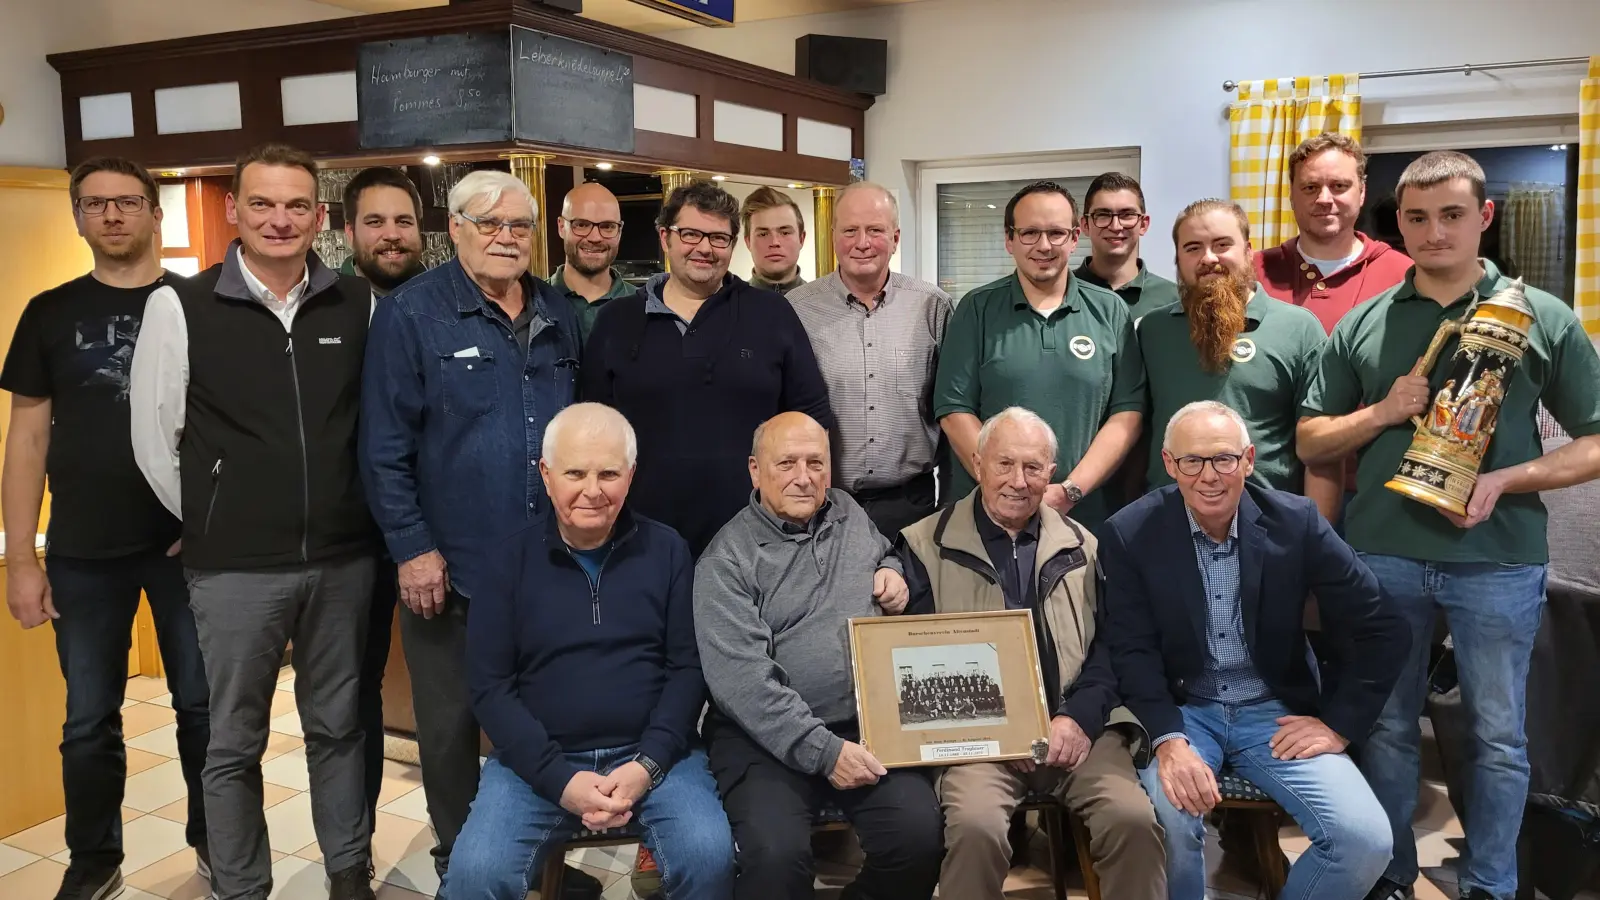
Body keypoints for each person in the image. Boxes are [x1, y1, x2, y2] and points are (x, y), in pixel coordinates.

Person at [1298, 150, 1600, 900]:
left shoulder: (1540, 315)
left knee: (1499, 739)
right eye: (1419, 217)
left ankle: (1490, 885)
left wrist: (1506, 478)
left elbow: (1595, 438)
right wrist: (1382, 413)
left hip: (1498, 559)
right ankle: (1393, 874)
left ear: (1484, 217)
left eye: (1453, 215)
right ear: (1398, 221)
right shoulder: (1367, 321)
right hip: (1383, 556)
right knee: (1388, 729)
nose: (1435, 232)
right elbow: (1310, 439)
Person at [130, 142, 379, 900]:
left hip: (342, 557)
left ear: (319, 216)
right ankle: (242, 886)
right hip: (234, 567)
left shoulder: (358, 302)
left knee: (338, 728)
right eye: (263, 204)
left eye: (296, 205)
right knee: (233, 741)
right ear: (234, 210)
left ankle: (346, 873)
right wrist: (211, 513)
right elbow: (153, 438)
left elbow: (375, 423)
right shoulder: (182, 305)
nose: (280, 219)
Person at [360, 168, 584, 891]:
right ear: (453, 230)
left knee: (548, 720)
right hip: (449, 573)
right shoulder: (412, 315)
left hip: (548, 571)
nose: (506, 239)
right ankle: (463, 863)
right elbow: (384, 448)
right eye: (488, 224)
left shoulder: (555, 309)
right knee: (449, 730)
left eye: (518, 226)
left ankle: (546, 864)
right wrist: (413, 549)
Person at [0, 157, 209, 900]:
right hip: (84, 554)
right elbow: (25, 439)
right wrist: (22, 558)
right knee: (88, 720)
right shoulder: (49, 312)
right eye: (95, 204)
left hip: (189, 551)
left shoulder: (200, 303)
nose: (112, 216)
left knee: (202, 708)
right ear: (78, 217)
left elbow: (234, 434)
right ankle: (95, 862)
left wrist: (214, 523)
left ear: (156, 213)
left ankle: (214, 845)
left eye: (127, 202)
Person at [1104, 400, 1407, 899]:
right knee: (1167, 828)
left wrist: (1338, 724)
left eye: (1223, 459)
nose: (1209, 476)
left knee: (1366, 841)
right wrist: (1169, 741)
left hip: (1273, 713)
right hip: (1184, 712)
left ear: (1248, 459)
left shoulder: (1297, 522)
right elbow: (1131, 650)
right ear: (1168, 464)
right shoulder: (1131, 532)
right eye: (1192, 461)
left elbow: (1385, 626)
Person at [444, 403, 734, 900]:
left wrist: (647, 765)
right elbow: (490, 689)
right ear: (546, 474)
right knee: (474, 879)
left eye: (609, 473)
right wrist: (559, 779)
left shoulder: (668, 551)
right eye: (575, 472)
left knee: (710, 858)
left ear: (632, 475)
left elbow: (687, 670)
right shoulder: (506, 560)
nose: (593, 490)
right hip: (536, 761)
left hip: (655, 757)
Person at [897, 407, 1165, 899]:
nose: (1018, 481)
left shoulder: (1087, 546)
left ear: (1052, 475)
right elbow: (916, 663)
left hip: (1079, 730)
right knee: (976, 829)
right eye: (1005, 464)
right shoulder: (922, 544)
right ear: (977, 464)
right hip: (977, 742)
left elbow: (1112, 645)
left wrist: (1079, 718)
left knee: (1132, 822)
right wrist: (999, 732)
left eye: (1033, 468)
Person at [695, 412, 943, 900]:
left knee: (919, 840)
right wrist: (825, 752)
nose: (804, 477)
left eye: (816, 462)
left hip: (864, 726)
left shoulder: (847, 511)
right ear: (754, 470)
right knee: (776, 858)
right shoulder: (726, 560)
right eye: (786, 463)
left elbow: (882, 552)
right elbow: (745, 685)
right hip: (761, 741)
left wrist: (892, 570)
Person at [581, 181, 835, 558]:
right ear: (665, 237)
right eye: (690, 234)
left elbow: (811, 419)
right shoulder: (616, 321)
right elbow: (590, 431)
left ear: (734, 245)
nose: (704, 248)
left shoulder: (772, 315)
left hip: (757, 540)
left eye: (718, 238)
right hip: (639, 539)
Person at [934, 180, 1145, 531]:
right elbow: (954, 410)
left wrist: (1071, 491)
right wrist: (1007, 489)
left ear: (1075, 237)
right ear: (1009, 239)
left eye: (1056, 233)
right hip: (987, 518)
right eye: (1030, 233)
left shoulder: (1110, 311)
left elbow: (1127, 414)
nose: (1043, 246)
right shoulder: (977, 309)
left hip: (1083, 517)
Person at [1137, 199, 1339, 515]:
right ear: (1177, 259)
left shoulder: (1298, 329)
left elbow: (1321, 451)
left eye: (1222, 245)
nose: (1208, 258)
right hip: (1169, 522)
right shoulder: (1152, 330)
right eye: (1193, 248)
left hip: (1269, 523)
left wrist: (1317, 539)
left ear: (1248, 251)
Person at [339, 165, 426, 844]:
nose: (391, 235)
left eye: (402, 221)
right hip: (349, 538)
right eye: (376, 221)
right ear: (347, 231)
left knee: (460, 698)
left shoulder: (438, 304)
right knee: (354, 698)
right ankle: (354, 854)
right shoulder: (327, 310)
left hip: (434, 535)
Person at [788, 182, 953, 538]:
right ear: (833, 236)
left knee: (908, 594)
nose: (862, 242)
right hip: (821, 506)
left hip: (912, 506)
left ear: (895, 238)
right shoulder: (797, 310)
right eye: (850, 230)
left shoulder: (932, 306)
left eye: (875, 230)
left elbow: (952, 408)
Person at [1254, 133, 1413, 334]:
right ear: (1292, 196)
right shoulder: (1252, 272)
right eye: (1310, 187)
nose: (1324, 199)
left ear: (1362, 192)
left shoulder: (1405, 275)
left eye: (1339, 186)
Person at [1073, 172, 1180, 325]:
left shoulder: (1174, 300)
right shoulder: (1060, 292)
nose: (1115, 226)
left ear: (1143, 224)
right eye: (1103, 215)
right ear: (1085, 225)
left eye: (1127, 215)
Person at [549, 181, 634, 342]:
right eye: (581, 225)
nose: (595, 238)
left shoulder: (645, 308)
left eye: (607, 226)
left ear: (619, 231)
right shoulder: (532, 304)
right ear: (561, 227)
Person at [741, 186, 807, 293]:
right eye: (763, 234)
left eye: (785, 233)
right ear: (748, 242)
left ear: (801, 239)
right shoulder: (728, 306)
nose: (774, 242)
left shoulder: (824, 305)